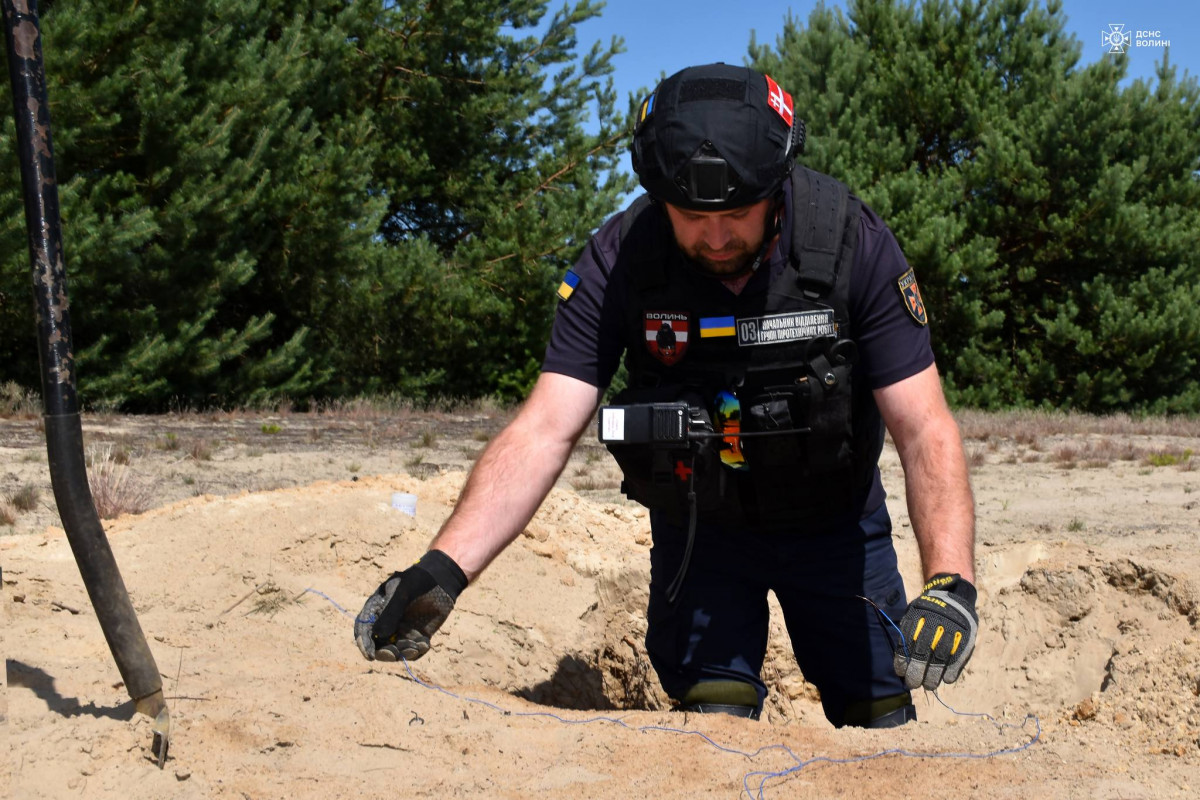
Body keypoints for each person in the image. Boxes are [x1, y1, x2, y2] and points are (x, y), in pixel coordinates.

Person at [355, 63, 977, 728]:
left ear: (778, 186)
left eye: (738, 215)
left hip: (834, 525)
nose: (715, 238)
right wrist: (445, 568)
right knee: (713, 723)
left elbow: (925, 429)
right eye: (691, 217)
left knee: (877, 712)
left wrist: (950, 584)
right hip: (699, 535)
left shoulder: (853, 244)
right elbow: (545, 427)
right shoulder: (622, 260)